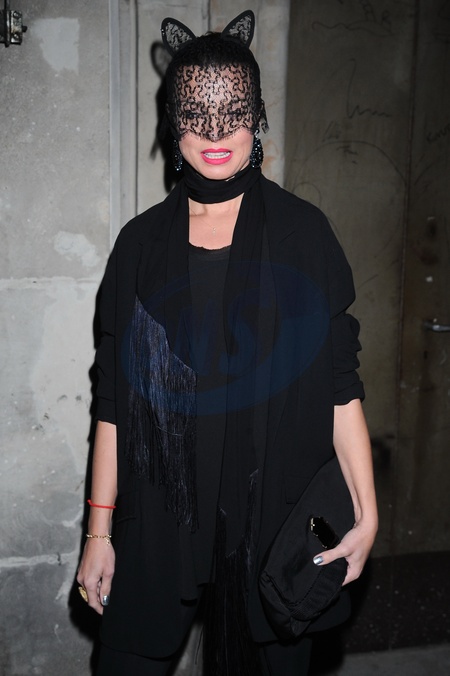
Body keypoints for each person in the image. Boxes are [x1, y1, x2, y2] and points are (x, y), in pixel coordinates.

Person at [77, 10, 378, 676]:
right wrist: (98, 532)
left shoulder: (304, 235)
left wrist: (367, 511)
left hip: (274, 521)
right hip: (158, 523)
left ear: (257, 116)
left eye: (233, 111)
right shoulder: (139, 245)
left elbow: (340, 386)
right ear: (172, 121)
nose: (215, 133)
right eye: (196, 112)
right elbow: (113, 405)